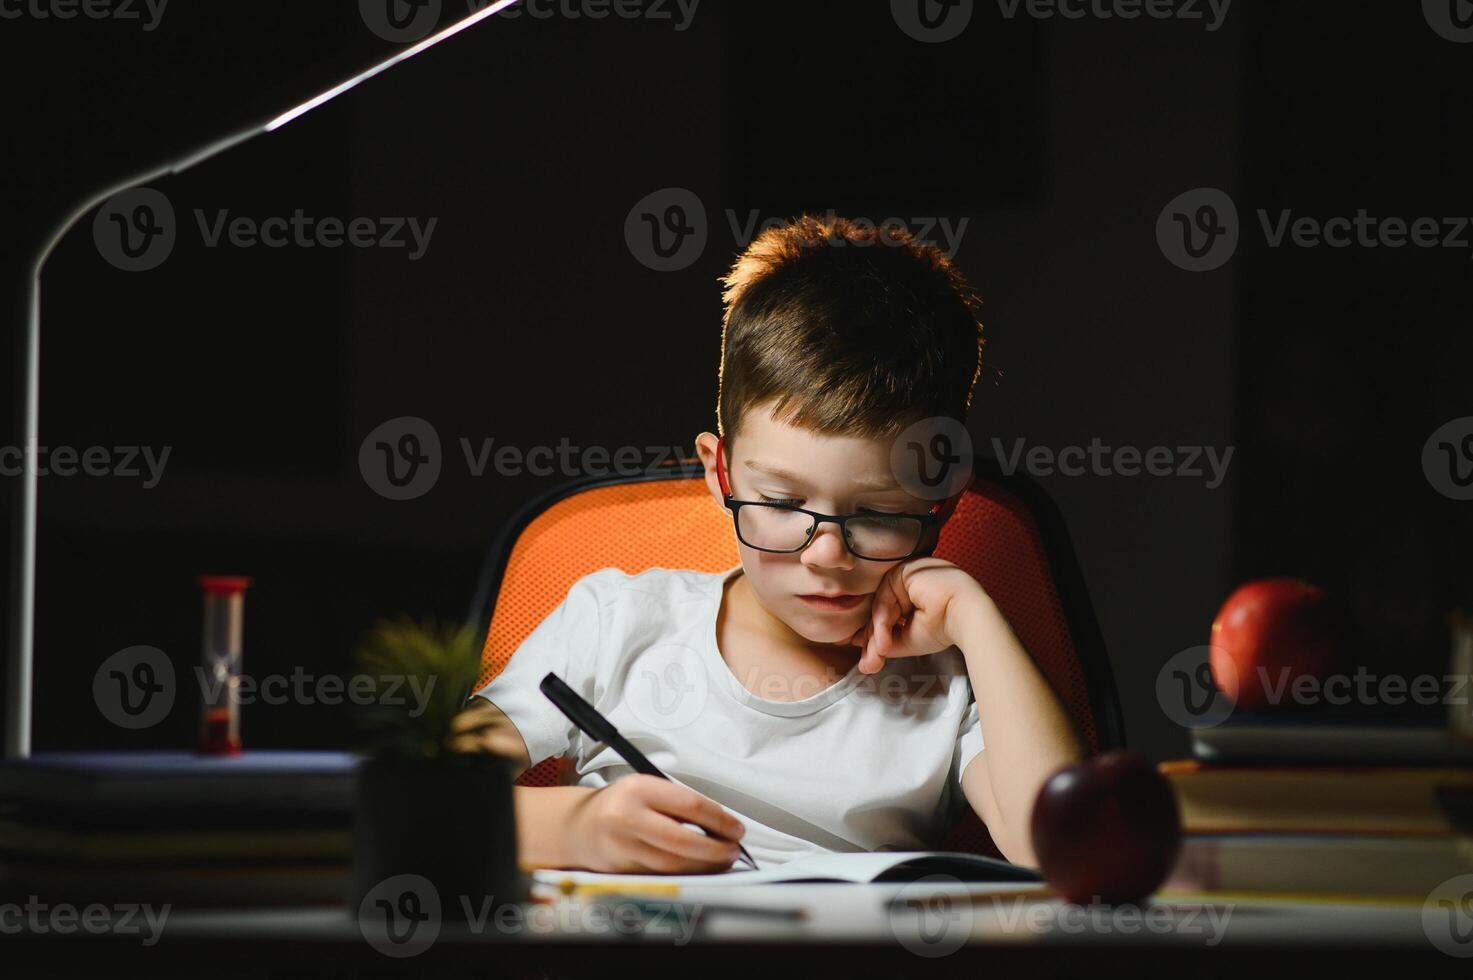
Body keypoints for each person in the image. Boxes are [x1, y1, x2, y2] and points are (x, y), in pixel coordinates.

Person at [449, 214, 1085, 872]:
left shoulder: (949, 685)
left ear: (942, 499)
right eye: (781, 503)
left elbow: (1064, 847)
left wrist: (976, 622)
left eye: (877, 513)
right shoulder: (618, 624)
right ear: (718, 471)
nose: (825, 556)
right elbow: (426, 802)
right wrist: (568, 829)